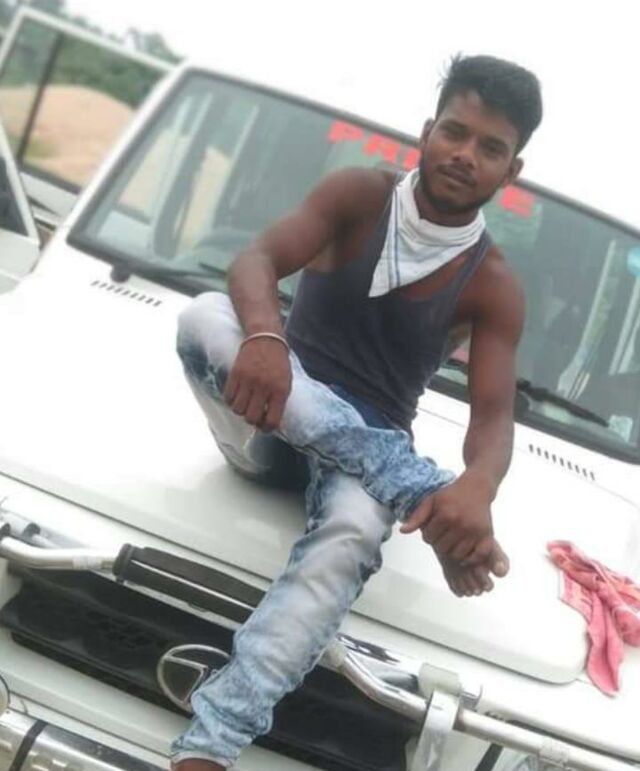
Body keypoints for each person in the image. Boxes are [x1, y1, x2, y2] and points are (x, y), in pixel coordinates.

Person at [172, 54, 543, 770]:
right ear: (427, 132)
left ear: (511, 170)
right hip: (269, 401)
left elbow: (493, 417)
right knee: (204, 315)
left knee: (350, 532)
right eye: (455, 132)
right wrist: (266, 336)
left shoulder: (493, 284)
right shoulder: (360, 195)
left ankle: (208, 749)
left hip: (362, 456)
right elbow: (256, 260)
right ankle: (411, 486)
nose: (465, 155)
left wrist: (477, 486)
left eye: (490, 147)